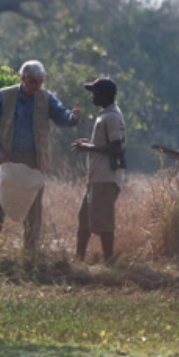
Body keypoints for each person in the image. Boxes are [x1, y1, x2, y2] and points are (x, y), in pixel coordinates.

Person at [0, 60, 81, 262]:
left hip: (34, 163)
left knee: (33, 210)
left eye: (40, 82)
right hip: (5, 162)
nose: (37, 86)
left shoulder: (45, 98)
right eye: (33, 82)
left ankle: (29, 256)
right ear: (22, 78)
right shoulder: (4, 95)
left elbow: (62, 116)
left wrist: (73, 118)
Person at [71, 77, 126, 263]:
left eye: (95, 93)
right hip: (96, 177)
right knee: (84, 220)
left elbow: (116, 147)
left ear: (105, 95)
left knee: (104, 223)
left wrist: (89, 148)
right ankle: (79, 261)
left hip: (105, 178)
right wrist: (90, 143)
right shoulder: (105, 114)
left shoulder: (112, 117)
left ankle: (109, 263)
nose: (92, 96)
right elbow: (106, 144)